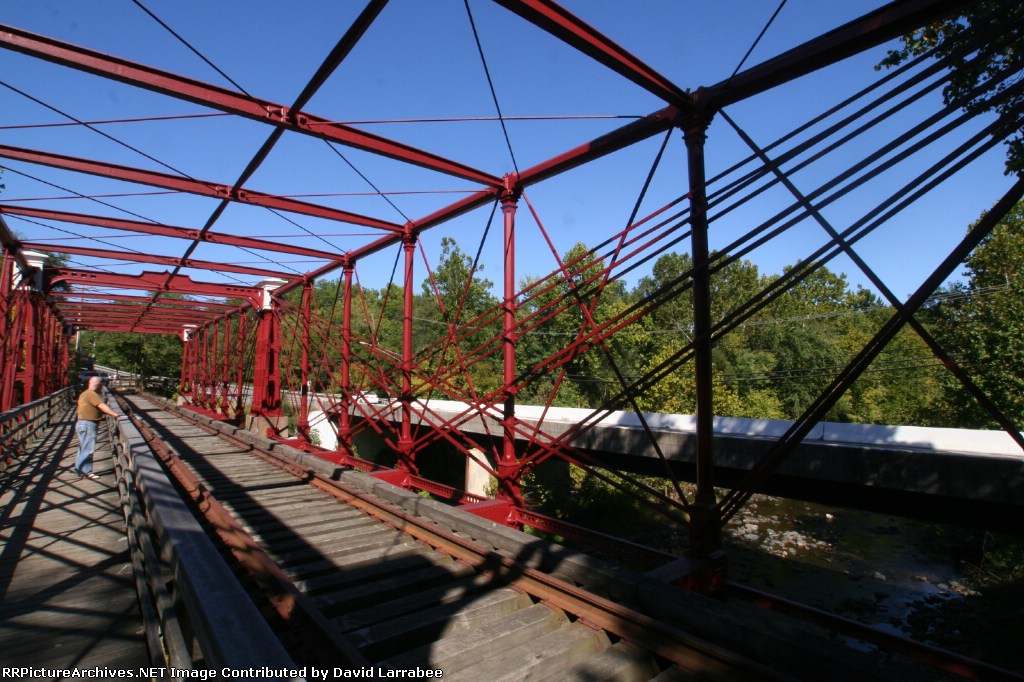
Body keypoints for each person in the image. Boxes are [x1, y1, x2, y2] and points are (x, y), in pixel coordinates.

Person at [75, 375, 117, 480]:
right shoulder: (92, 394)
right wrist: (115, 414)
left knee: (83, 448)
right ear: (99, 385)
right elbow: (101, 406)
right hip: (88, 424)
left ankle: (80, 469)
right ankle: (86, 471)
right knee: (88, 449)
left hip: (81, 423)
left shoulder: (84, 394)